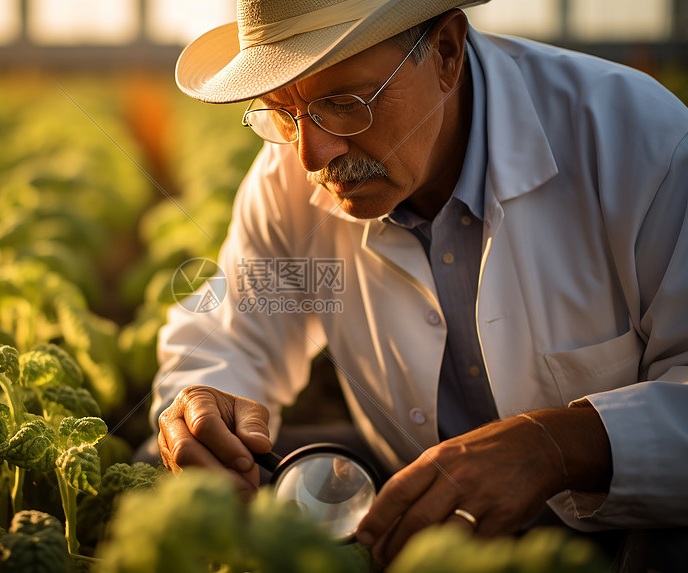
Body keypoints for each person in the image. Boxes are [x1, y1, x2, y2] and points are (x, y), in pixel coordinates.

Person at [149, 0, 688, 566]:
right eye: (284, 112)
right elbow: (233, 332)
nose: (313, 155)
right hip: (422, 523)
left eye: (344, 103)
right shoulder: (287, 174)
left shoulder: (640, 144)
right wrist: (205, 400)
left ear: (447, 53)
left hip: (626, 531)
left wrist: (556, 446)